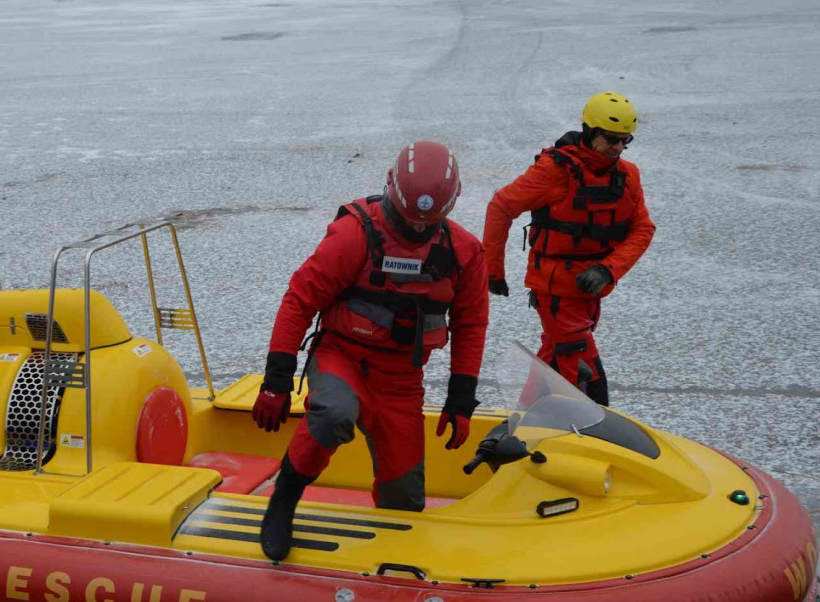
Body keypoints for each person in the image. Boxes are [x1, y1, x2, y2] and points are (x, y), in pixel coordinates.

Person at [251, 141, 489, 562]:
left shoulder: (464, 253)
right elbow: (299, 301)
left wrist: (461, 398)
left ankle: (395, 564)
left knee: (404, 496)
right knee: (334, 412)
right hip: (343, 357)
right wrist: (276, 382)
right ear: (391, 191)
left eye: (427, 224)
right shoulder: (354, 234)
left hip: (401, 380)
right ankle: (283, 501)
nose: (417, 231)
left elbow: (471, 325)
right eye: (408, 221)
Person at [482, 91, 656, 405]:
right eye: (610, 139)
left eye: (624, 141)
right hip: (555, 291)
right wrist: (492, 271)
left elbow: (643, 229)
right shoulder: (554, 171)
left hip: (590, 290)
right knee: (582, 367)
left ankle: (526, 422)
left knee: (553, 359)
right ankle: (601, 435)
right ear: (590, 133)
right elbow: (501, 207)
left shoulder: (627, 176)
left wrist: (609, 269)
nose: (617, 148)